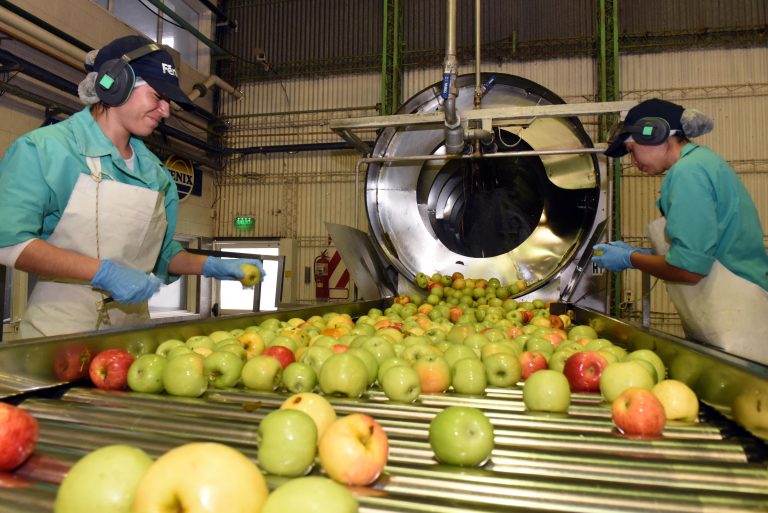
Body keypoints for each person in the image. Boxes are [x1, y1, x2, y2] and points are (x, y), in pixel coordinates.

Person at [0, 35, 265, 338]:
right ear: (116, 83)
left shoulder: (155, 174)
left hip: (132, 335)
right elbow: (9, 243)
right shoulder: (46, 150)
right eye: (157, 96)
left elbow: (164, 256)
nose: (165, 111)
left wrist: (214, 266)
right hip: (59, 336)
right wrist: (103, 272)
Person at [594, 98, 768, 364]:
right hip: (736, 311)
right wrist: (646, 253)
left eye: (631, 150)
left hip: (740, 324)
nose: (633, 161)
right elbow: (703, 247)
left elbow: (689, 269)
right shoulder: (703, 164)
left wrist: (631, 259)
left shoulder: (688, 172)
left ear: (656, 134)